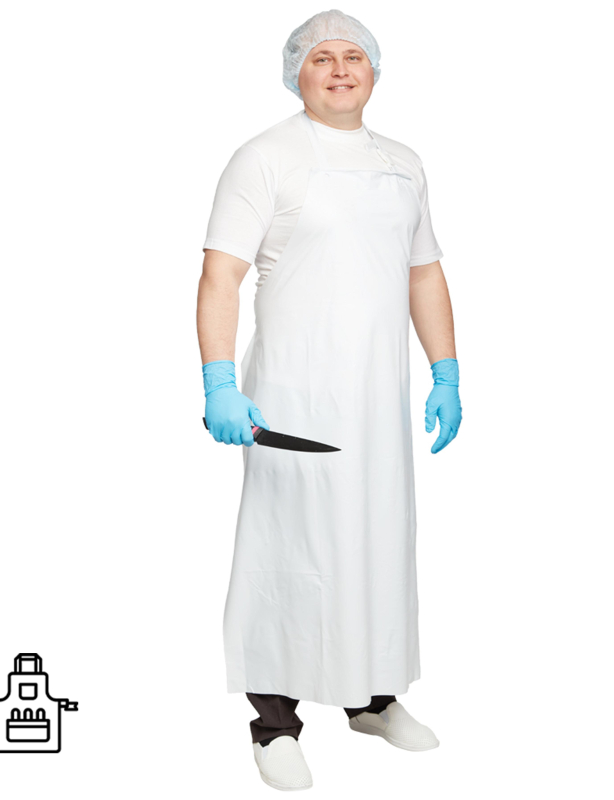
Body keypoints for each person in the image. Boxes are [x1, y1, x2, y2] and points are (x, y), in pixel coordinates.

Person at [197, 9, 462, 791]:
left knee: (376, 543)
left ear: (374, 71)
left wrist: (447, 370)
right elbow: (220, 274)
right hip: (294, 396)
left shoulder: (403, 163)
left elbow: (423, 272)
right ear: (296, 74)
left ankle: (372, 698)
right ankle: (274, 723)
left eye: (354, 57)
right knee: (291, 551)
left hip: (379, 400)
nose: (340, 69)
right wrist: (218, 380)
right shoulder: (265, 158)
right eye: (321, 59)